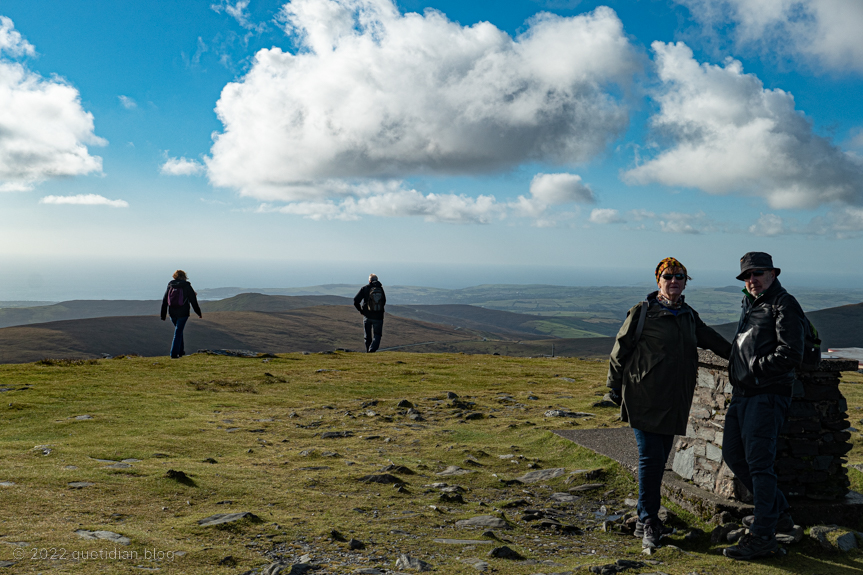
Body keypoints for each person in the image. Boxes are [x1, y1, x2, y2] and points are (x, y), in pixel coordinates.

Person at [607, 257, 731, 549]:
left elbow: (713, 341)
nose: (674, 281)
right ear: (658, 281)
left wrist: (743, 357)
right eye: (668, 277)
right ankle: (648, 520)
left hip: (674, 400)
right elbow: (619, 351)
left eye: (680, 277)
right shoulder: (643, 313)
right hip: (644, 397)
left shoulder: (688, 315)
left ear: (686, 282)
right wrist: (613, 388)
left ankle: (646, 516)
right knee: (651, 459)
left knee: (660, 459)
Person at [721, 252, 805, 560]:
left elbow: (791, 352)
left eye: (757, 274)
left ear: (772, 274)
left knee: (759, 464)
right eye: (747, 276)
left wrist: (755, 367)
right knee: (733, 454)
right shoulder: (752, 303)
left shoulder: (784, 304)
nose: (751, 280)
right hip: (743, 394)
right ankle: (778, 513)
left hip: (767, 395)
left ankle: (763, 537)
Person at [160, 270, 202, 359]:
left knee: (179, 331)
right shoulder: (187, 286)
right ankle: (174, 354)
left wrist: (163, 315)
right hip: (183, 313)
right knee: (178, 332)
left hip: (172, 313)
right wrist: (198, 313)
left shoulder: (170, 285)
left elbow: (165, 300)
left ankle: (181, 352)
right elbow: (193, 301)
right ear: (184, 276)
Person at [353, 273, 386, 352]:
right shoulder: (380, 289)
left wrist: (361, 310)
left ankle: (368, 351)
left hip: (367, 316)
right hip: (378, 316)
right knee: (377, 335)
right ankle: (372, 350)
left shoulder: (365, 288)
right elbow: (384, 301)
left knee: (367, 336)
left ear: (369, 280)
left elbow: (355, 301)